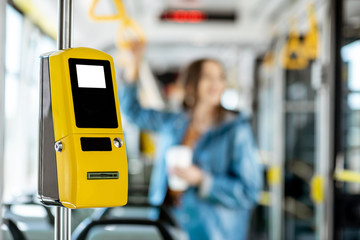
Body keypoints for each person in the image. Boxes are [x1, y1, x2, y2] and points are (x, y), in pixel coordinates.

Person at [118, 42, 263, 240]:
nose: (216, 83)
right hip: (168, 225)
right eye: (207, 77)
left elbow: (250, 191)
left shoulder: (237, 131)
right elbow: (132, 112)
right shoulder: (175, 121)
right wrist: (134, 63)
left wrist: (203, 181)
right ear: (191, 84)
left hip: (212, 232)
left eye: (220, 77)